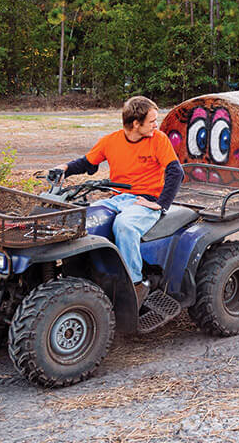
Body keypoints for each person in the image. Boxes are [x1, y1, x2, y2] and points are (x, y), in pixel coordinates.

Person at [54, 96, 184, 304]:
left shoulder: (158, 140)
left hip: (146, 200)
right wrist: (65, 168)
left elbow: (175, 172)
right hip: (118, 198)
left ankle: (135, 284)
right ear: (135, 124)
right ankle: (80, 277)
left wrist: (160, 204)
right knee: (83, 219)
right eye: (152, 121)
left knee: (125, 225)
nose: (155, 125)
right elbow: (86, 163)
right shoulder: (110, 141)